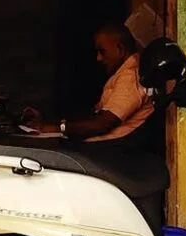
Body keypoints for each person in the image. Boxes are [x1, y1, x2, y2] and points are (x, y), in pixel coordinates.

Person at [60, 23, 154, 155]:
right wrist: (54, 124)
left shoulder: (130, 77)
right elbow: (96, 114)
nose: (98, 58)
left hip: (109, 150)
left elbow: (103, 124)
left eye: (102, 51)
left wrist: (60, 128)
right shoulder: (123, 72)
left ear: (120, 49)